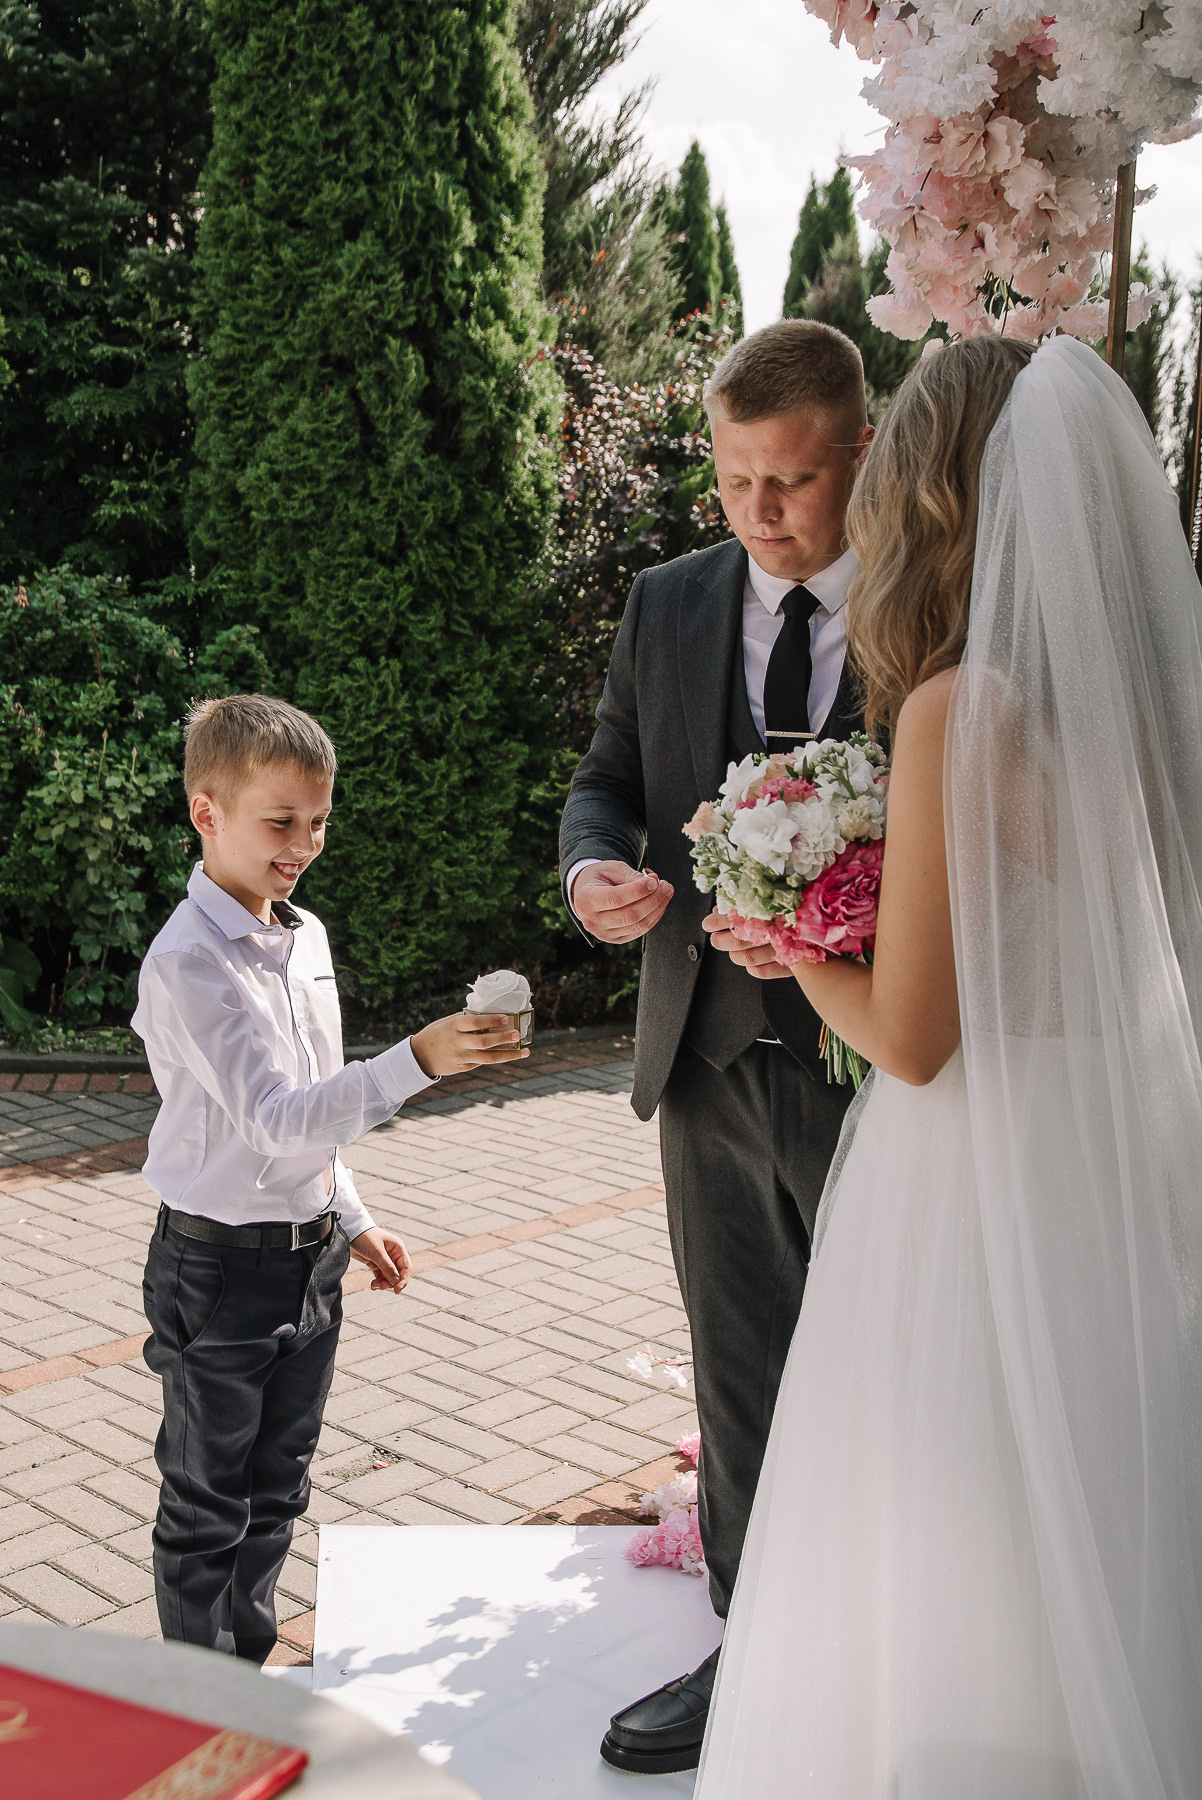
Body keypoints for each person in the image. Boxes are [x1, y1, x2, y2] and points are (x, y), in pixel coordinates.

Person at [695, 334, 1202, 1798]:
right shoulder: (1153, 705)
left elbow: (911, 1042)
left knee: (955, 1519)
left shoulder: (956, 712)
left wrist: (790, 941)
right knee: (1100, 1489)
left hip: (980, 1175)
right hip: (1124, 1143)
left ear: (929, 496)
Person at [559, 319, 874, 1773]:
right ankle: (748, 1654)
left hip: (878, 1073)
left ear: (859, 455)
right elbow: (607, 778)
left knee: (887, 1362)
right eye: (735, 478)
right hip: (700, 1057)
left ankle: (886, 1651)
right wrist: (592, 873)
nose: (758, 512)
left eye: (790, 481)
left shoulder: (929, 601)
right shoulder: (667, 601)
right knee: (736, 1369)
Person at [133, 693, 526, 1663]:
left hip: (310, 1265)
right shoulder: (187, 962)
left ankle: (248, 1672)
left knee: (277, 1491)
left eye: (318, 821)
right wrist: (418, 1059)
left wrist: (349, 1217)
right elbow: (273, 1121)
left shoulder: (303, 935)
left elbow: (314, 1102)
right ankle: (197, 1702)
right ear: (206, 812)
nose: (304, 845)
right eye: (281, 822)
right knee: (207, 1504)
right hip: (214, 1274)